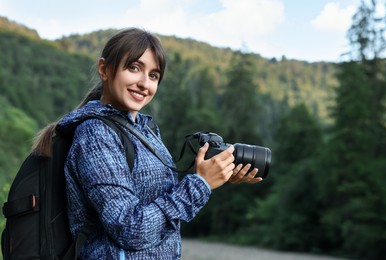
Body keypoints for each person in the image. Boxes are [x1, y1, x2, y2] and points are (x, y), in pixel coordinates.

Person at [32, 28, 262, 259]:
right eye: (134, 68)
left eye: (153, 75)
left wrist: (211, 176)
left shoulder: (143, 129)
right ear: (105, 69)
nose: (144, 83)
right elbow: (130, 228)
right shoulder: (95, 133)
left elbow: (155, 201)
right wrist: (199, 185)